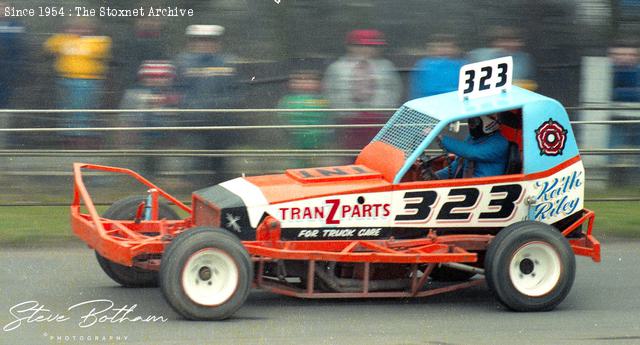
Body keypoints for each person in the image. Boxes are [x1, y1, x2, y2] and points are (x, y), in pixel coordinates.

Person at [323, 29, 402, 148]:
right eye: (360, 45)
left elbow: (395, 89)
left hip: (378, 118)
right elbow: (329, 90)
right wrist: (339, 111)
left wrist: (386, 110)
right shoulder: (337, 67)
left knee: (377, 150)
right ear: (350, 46)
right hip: (347, 118)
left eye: (371, 46)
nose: (366, 49)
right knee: (350, 149)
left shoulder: (386, 66)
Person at [44, 18, 111, 148]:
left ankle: (82, 143)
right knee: (67, 114)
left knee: (83, 114)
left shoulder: (99, 41)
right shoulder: (63, 39)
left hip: (88, 81)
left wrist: (76, 41)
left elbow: (99, 52)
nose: (77, 30)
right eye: (73, 27)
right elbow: (49, 46)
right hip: (65, 81)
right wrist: (66, 36)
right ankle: (68, 143)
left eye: (81, 27)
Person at [119, 61, 181, 178]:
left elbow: (178, 116)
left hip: (167, 134)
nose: (156, 80)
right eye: (151, 77)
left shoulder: (175, 94)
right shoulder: (134, 94)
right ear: (142, 78)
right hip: (144, 134)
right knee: (146, 155)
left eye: (162, 77)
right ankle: (146, 177)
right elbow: (127, 118)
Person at [278, 70, 330, 166]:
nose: (304, 83)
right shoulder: (288, 101)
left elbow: (326, 118)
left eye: (309, 80)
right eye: (299, 80)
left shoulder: (322, 101)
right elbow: (284, 118)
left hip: (317, 141)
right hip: (295, 140)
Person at [434, 114, 509, 179]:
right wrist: (436, 176)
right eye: (471, 123)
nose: (472, 126)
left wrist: (441, 138)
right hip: (469, 186)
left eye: (474, 123)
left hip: (484, 189)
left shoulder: (499, 143)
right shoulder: (472, 139)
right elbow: (456, 166)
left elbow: (472, 152)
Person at [467, 26, 537, 90]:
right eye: (506, 41)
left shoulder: (524, 59)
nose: (511, 44)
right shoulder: (478, 55)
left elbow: (524, 81)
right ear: (495, 42)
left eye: (516, 41)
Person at [409, 34, 466, 99]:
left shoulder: (462, 66)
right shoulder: (423, 65)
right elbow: (416, 90)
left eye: (447, 46)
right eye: (439, 46)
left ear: (455, 48)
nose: (443, 50)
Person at [0, 1, 25, 108]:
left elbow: (20, 48)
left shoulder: (17, 26)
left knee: (5, 100)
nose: (2, 10)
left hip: (8, 71)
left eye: (5, 7)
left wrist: (15, 69)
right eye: (0, 7)